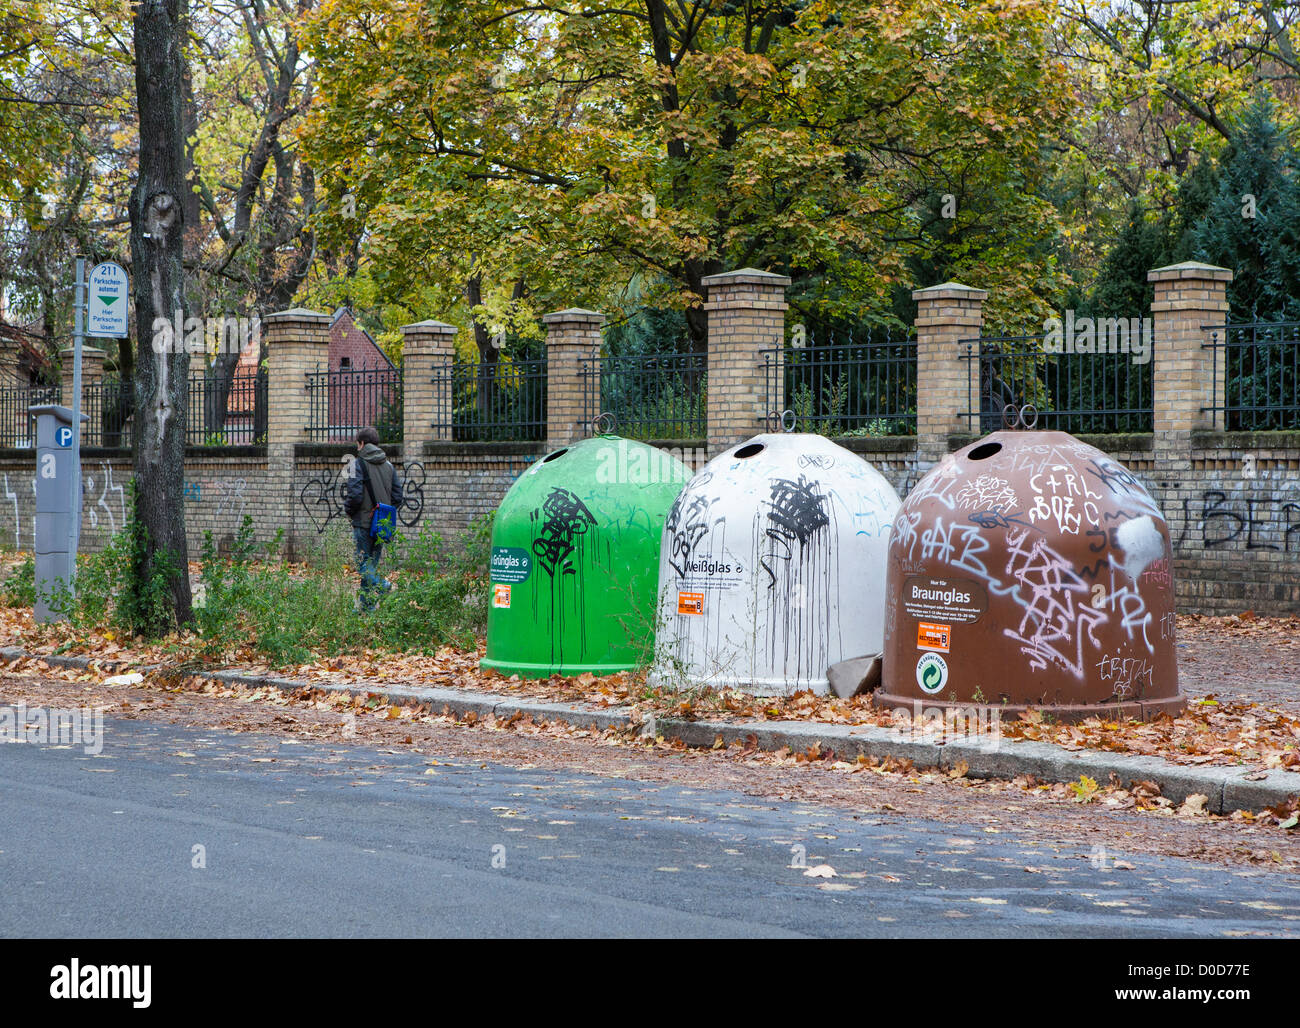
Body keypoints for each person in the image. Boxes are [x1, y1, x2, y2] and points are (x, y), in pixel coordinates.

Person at [342, 426, 404, 611]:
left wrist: (349, 511)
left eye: (357, 444)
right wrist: (383, 510)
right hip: (382, 524)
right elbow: (398, 497)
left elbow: (354, 496)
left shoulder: (356, 464)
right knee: (371, 566)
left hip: (363, 522)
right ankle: (366, 607)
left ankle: (383, 586)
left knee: (363, 565)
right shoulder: (389, 466)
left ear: (361, 443)